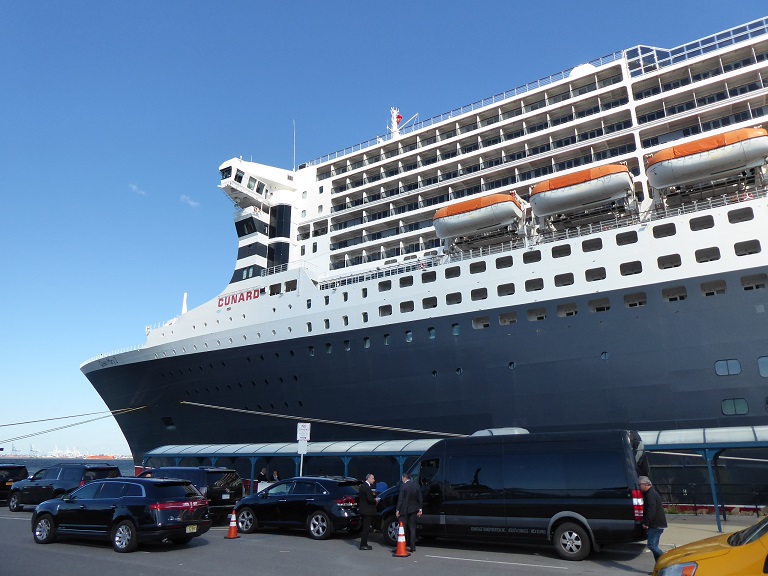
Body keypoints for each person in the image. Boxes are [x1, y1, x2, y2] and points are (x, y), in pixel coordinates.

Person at [639, 476, 667, 564]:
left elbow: (651, 510)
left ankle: (666, 561)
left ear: (645, 484)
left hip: (655, 524)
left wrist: (646, 523)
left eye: (640, 485)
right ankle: (658, 567)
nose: (639, 487)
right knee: (654, 546)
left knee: (651, 545)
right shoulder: (650, 493)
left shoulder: (651, 494)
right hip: (657, 524)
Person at [396, 472, 422, 552]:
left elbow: (400, 499)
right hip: (414, 509)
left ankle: (402, 546)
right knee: (412, 528)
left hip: (404, 510)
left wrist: (397, 510)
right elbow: (420, 498)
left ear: (404, 478)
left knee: (402, 529)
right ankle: (413, 547)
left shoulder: (403, 486)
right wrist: (420, 509)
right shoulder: (416, 486)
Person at [358, 473, 379, 550]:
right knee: (366, 528)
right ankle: (363, 544)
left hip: (363, 510)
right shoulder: (366, 487)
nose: (374, 480)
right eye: (373, 478)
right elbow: (369, 499)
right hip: (367, 510)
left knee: (365, 527)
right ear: (369, 478)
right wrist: (375, 501)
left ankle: (364, 543)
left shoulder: (363, 486)